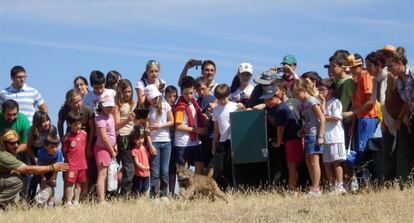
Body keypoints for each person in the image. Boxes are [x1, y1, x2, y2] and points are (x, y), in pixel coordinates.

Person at [0, 129, 67, 210]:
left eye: (17, 142)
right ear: (3, 143)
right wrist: (51, 167)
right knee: (16, 180)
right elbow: (27, 169)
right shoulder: (3, 154)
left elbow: (26, 146)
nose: (16, 145)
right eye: (12, 143)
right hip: (45, 174)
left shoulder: (9, 151)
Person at [255, 85, 303, 193]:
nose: (267, 102)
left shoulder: (281, 109)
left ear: (277, 97)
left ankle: (293, 190)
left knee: (292, 166)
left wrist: (278, 143)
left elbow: (279, 129)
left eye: (269, 99)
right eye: (266, 100)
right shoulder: (279, 107)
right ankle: (294, 189)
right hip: (293, 139)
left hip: (292, 139)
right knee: (293, 165)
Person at [342, 54, 378, 163]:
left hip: (368, 117)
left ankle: (370, 177)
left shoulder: (366, 77)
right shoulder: (358, 79)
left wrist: (352, 112)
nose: (351, 70)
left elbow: (370, 102)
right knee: (360, 149)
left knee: (365, 149)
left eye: (353, 68)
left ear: (360, 66)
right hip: (361, 118)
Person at [57, 89, 96, 190]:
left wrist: (89, 147)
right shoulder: (64, 110)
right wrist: (62, 140)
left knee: (85, 171)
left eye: (80, 100)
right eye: (75, 102)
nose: (79, 104)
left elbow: (92, 129)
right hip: (70, 143)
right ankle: (67, 198)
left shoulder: (88, 110)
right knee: (69, 170)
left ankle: (82, 197)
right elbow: (60, 124)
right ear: (69, 103)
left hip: (84, 142)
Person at [293, 78, 325, 197]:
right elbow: (307, 120)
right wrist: (301, 130)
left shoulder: (312, 101)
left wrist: (320, 136)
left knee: (314, 161)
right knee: (308, 161)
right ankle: (315, 186)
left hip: (315, 134)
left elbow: (321, 118)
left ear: (304, 90)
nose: (296, 96)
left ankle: (316, 188)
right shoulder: (303, 104)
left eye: (297, 93)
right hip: (307, 133)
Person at [388, 48, 414, 177]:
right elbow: (408, 101)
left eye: (390, 66)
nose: (388, 69)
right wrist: (406, 117)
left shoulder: (413, 74)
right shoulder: (399, 81)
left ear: (399, 63)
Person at [144, 84, 174, 199]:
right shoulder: (148, 110)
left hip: (166, 142)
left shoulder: (166, 106)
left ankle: (164, 194)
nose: (154, 100)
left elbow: (172, 121)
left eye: (156, 97)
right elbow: (147, 130)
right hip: (155, 142)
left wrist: (160, 126)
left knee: (165, 171)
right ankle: (153, 195)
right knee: (155, 172)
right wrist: (150, 145)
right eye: (152, 98)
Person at [173, 76, 207, 175]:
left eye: (191, 93)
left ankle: (195, 187)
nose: (188, 96)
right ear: (181, 93)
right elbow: (178, 126)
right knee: (183, 171)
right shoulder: (180, 106)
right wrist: (196, 130)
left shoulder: (194, 103)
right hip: (182, 143)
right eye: (185, 94)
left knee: (200, 164)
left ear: (195, 91)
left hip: (195, 141)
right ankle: (185, 190)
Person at [211, 84, 242, 190]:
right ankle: (222, 190)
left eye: (223, 98)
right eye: (219, 98)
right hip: (222, 142)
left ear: (228, 95)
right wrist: (214, 145)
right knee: (218, 169)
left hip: (233, 141)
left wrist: (243, 108)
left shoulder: (235, 106)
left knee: (231, 167)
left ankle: (234, 188)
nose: (222, 101)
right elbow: (216, 129)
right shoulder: (216, 110)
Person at [319, 79, 346, 194]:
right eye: (319, 89)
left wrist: (323, 117)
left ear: (330, 90)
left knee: (336, 162)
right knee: (326, 163)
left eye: (323, 89)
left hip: (335, 136)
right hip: (325, 137)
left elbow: (336, 117)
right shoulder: (321, 103)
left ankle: (340, 186)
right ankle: (331, 186)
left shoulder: (336, 102)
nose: (321, 92)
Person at [0, 99, 31, 199]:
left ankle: (23, 200)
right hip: (1, 152)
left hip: (18, 150)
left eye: (15, 114)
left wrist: (12, 154)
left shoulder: (23, 120)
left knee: (26, 172)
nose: (12, 117)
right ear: (2, 112)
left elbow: (26, 144)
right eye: (9, 114)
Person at [26, 111, 58, 200]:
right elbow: (28, 147)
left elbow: (54, 144)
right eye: (43, 122)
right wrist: (34, 158)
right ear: (37, 124)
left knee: (48, 174)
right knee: (34, 176)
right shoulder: (32, 130)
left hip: (46, 152)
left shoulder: (52, 129)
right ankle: (30, 199)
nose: (46, 123)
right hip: (34, 151)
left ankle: (48, 200)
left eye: (48, 120)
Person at [114, 79, 136, 195]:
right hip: (123, 137)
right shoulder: (117, 105)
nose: (128, 94)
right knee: (129, 167)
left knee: (131, 166)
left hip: (132, 136)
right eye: (126, 92)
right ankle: (124, 193)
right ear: (120, 91)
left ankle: (125, 191)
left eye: (130, 91)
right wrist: (128, 119)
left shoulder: (132, 103)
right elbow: (116, 125)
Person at [94, 96, 117, 204]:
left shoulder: (111, 116)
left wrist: (115, 146)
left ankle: (104, 198)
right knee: (102, 174)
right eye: (107, 106)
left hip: (109, 148)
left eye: (111, 105)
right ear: (102, 106)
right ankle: (101, 200)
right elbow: (104, 137)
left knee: (107, 175)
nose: (109, 107)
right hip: (102, 149)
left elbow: (113, 132)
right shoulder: (100, 118)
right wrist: (112, 150)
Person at [61, 111, 88, 206]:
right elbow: (64, 151)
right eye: (75, 124)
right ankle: (68, 201)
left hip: (82, 164)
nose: (78, 126)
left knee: (79, 184)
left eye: (79, 123)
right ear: (69, 124)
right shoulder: (67, 138)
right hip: (71, 165)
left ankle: (76, 201)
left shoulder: (84, 134)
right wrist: (68, 162)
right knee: (69, 184)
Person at [36, 134, 63, 207]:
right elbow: (40, 166)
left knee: (52, 185)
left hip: (53, 170)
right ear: (46, 146)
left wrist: (54, 177)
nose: (55, 149)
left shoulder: (58, 152)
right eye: (52, 147)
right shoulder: (41, 152)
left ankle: (51, 204)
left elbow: (58, 166)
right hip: (42, 170)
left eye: (56, 147)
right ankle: (40, 203)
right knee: (44, 186)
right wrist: (42, 178)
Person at [130, 127, 150, 196]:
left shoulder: (145, 147)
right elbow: (136, 162)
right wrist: (143, 167)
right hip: (138, 173)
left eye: (141, 138)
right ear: (134, 140)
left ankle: (143, 198)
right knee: (138, 187)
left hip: (146, 172)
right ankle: (136, 197)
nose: (140, 140)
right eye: (137, 139)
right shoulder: (134, 150)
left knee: (145, 187)